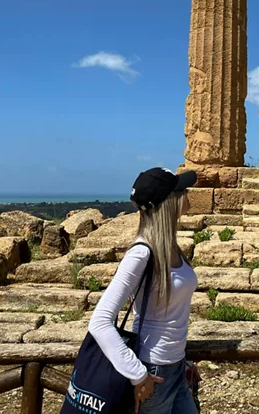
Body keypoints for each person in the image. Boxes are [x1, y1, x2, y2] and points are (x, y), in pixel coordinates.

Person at [88, 167, 201, 413]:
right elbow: (99, 322)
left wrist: (182, 361)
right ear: (168, 201)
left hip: (175, 369)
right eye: (181, 189)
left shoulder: (170, 246)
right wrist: (138, 375)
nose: (188, 192)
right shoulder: (141, 253)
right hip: (153, 373)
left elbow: (170, 316)